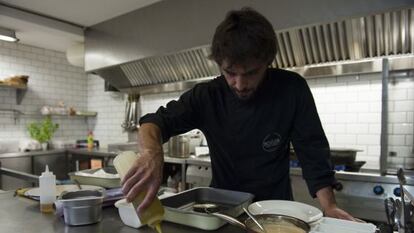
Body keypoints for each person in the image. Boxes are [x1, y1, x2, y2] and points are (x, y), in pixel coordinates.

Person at [121, 7, 357, 221]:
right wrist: (151, 152)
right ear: (219, 65)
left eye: (251, 73)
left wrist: (330, 207)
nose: (240, 84)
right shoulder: (207, 96)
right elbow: (154, 123)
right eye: (230, 72)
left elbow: (312, 150)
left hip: (276, 212)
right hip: (222, 214)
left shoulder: (291, 89)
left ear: (268, 61)